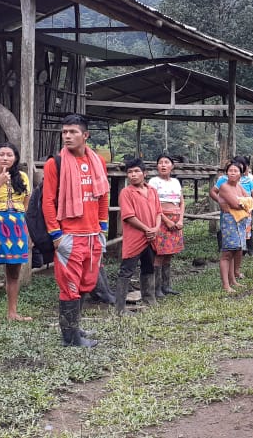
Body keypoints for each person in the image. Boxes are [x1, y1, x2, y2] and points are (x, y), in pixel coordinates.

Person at [42, 114, 110, 348]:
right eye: (64, 132)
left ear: (85, 135)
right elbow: (48, 201)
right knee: (69, 287)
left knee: (85, 284)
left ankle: (75, 328)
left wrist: (103, 227)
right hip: (69, 236)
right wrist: (56, 235)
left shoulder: (98, 162)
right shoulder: (55, 163)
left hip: (92, 236)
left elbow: (103, 195)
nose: (68, 136)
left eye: (73, 132)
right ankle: (70, 338)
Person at [0, 143, 32, 328]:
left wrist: (24, 227)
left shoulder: (23, 176)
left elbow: (26, 203)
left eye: (9, 155)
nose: (5, 158)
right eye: (1, 154)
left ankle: (12, 313)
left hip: (17, 226)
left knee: (14, 272)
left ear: (15, 158)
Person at [115, 157, 161, 316]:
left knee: (149, 267)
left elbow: (158, 213)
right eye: (130, 172)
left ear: (145, 173)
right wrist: (146, 228)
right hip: (135, 238)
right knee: (126, 270)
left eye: (136, 171)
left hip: (151, 237)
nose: (133, 175)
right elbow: (128, 216)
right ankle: (120, 308)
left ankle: (149, 299)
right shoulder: (126, 192)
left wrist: (155, 228)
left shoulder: (152, 191)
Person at [148, 155, 185, 298]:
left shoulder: (176, 182)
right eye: (160, 163)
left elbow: (181, 202)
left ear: (172, 166)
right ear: (157, 166)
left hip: (176, 219)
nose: (163, 165)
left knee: (169, 253)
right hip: (160, 219)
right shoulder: (154, 182)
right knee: (159, 253)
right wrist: (165, 220)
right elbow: (152, 203)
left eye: (166, 162)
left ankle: (166, 286)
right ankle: (156, 288)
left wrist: (180, 219)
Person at [217, 161, 252, 293]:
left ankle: (232, 280)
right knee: (227, 253)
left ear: (240, 174)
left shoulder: (239, 186)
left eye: (235, 171)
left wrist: (244, 201)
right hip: (229, 221)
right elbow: (236, 204)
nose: (232, 173)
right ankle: (226, 285)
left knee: (234, 251)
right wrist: (244, 202)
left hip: (240, 221)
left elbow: (251, 198)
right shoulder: (224, 187)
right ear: (227, 173)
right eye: (230, 170)